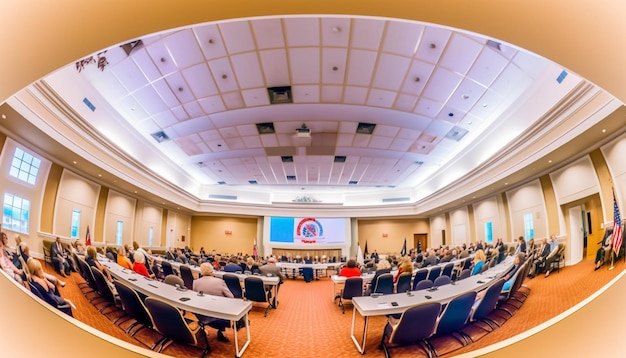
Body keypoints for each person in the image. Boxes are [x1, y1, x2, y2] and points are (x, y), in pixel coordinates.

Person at [192, 263, 232, 343]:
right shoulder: (220, 282)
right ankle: (221, 332)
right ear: (212, 271)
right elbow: (231, 297)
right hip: (218, 314)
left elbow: (196, 297)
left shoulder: (195, 282)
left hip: (201, 313)